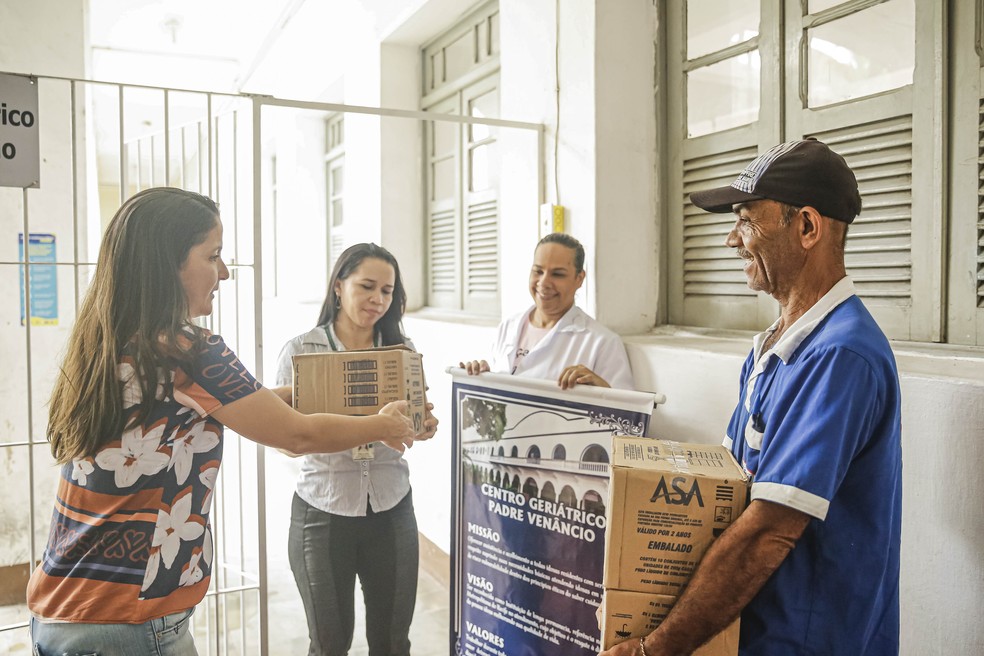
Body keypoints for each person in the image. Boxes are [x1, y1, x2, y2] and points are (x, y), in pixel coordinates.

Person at [26, 188, 422, 656]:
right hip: (129, 616)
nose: (225, 272)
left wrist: (346, 394)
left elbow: (244, 405)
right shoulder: (190, 350)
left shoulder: (113, 340)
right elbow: (295, 432)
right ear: (166, 263)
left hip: (64, 601)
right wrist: (382, 425)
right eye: (213, 256)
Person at [599, 139, 902, 655]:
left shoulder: (840, 356)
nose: (731, 241)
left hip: (808, 640)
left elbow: (768, 531)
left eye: (746, 221)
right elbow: (730, 492)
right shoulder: (775, 347)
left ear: (807, 227)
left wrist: (658, 647)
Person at [275, 242, 438, 656]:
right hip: (322, 512)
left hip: (392, 507)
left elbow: (413, 424)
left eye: (387, 291)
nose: (377, 300)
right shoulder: (302, 351)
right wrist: (371, 425)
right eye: (367, 286)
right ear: (338, 286)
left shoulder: (401, 352)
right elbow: (287, 443)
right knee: (329, 645)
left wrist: (422, 426)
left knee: (392, 643)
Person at [459, 232, 634, 390]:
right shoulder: (508, 327)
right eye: (538, 271)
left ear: (579, 279)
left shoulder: (602, 343)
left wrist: (602, 389)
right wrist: (484, 379)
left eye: (557, 274)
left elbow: (627, 417)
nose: (544, 282)